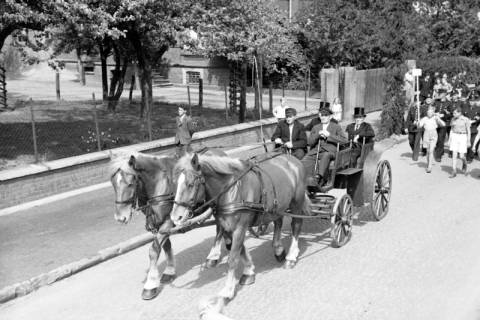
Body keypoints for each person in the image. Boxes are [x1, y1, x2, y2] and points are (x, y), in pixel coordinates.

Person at [301, 108, 347, 186]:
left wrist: (329, 135)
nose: (323, 117)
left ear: (330, 117)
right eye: (322, 115)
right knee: (305, 159)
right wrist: (317, 135)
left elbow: (344, 140)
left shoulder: (336, 127)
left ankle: (319, 177)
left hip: (330, 151)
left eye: (325, 115)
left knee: (326, 155)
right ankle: (303, 178)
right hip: (316, 151)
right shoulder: (316, 127)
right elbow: (309, 143)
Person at [418, 106, 445, 173]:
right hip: (426, 134)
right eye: (428, 112)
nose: (429, 114)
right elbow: (420, 126)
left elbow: (443, 124)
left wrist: (439, 119)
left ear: (433, 113)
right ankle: (428, 163)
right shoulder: (424, 118)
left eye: (431, 112)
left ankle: (430, 166)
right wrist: (418, 123)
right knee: (427, 151)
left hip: (433, 134)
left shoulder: (435, 118)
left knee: (431, 150)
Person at [448, 106, 471, 177]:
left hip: (462, 136)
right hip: (454, 136)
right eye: (453, 113)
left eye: (455, 113)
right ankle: (454, 171)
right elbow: (451, 129)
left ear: (460, 113)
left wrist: (468, 141)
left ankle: (464, 163)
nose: (453, 114)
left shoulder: (465, 119)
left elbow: (468, 130)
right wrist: (449, 139)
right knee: (454, 154)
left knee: (461, 156)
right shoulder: (453, 119)